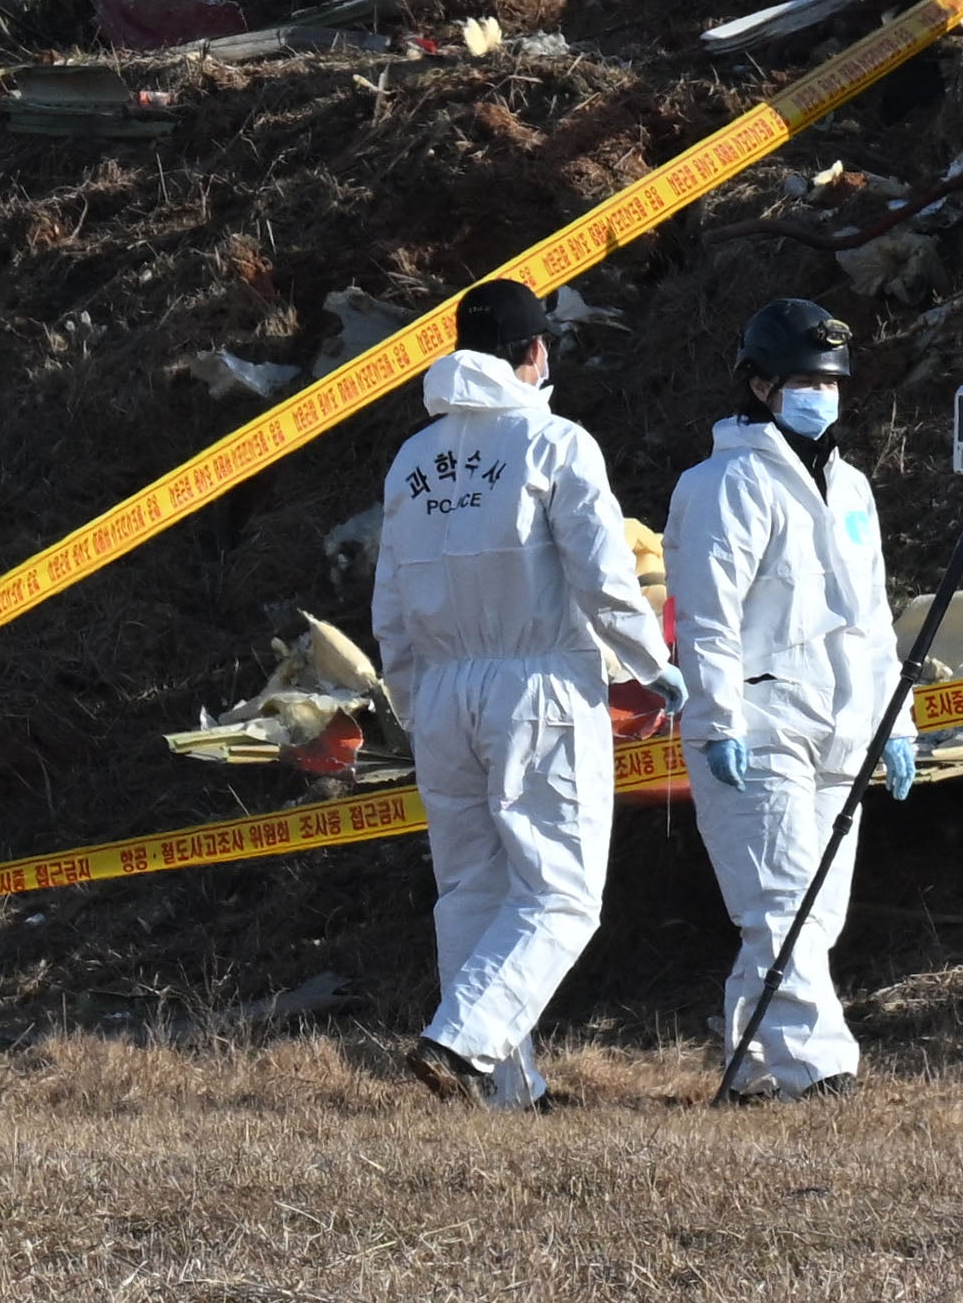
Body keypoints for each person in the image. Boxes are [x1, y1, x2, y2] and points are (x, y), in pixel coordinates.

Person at [380, 274, 679, 1107]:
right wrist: (651, 665)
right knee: (560, 895)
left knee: (472, 890)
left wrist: (413, 700)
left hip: (442, 692)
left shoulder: (412, 459)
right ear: (536, 350)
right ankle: (463, 1040)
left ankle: (506, 1091)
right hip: (538, 683)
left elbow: (390, 602)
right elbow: (603, 576)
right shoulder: (555, 443)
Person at [665, 295, 901, 1095]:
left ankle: (753, 1064)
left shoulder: (852, 488)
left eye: (830, 381)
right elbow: (706, 619)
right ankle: (821, 1069)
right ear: (759, 385)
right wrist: (717, 717)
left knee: (814, 914)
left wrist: (892, 720)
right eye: (802, 379)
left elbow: (872, 617)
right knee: (781, 902)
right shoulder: (722, 483)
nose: (819, 395)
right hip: (757, 723)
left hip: (839, 723)